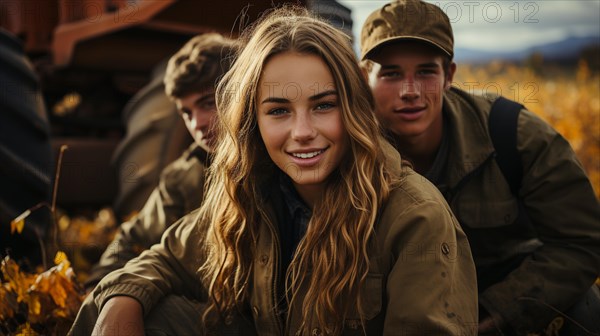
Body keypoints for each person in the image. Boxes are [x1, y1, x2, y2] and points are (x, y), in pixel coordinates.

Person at [69, 6, 478, 335]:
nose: (302, 133)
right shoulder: (253, 193)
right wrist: (122, 300)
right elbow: (167, 258)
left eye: (323, 105)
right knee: (141, 310)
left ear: (353, 109)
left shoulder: (415, 216)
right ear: (253, 123)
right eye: (279, 110)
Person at [360, 1, 600, 335]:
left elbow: (580, 243)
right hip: (398, 300)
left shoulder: (513, 135)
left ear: (449, 77)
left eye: (427, 71)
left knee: (587, 307)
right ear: (364, 79)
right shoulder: (344, 151)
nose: (410, 91)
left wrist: (499, 315)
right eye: (391, 73)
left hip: (499, 293)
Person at [84, 33, 239, 288]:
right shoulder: (184, 175)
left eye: (208, 103)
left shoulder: (281, 160)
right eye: (186, 113)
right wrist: (95, 288)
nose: (196, 124)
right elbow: (131, 238)